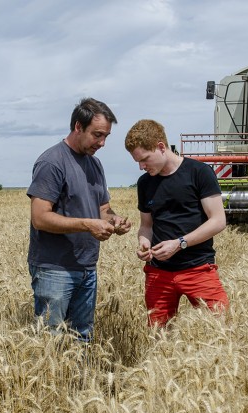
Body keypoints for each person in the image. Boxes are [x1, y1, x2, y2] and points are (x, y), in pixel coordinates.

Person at [27, 97, 131, 342]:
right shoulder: (52, 162)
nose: (102, 143)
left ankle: (80, 382)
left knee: (81, 337)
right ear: (77, 127)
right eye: (97, 135)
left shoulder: (95, 165)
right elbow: (40, 218)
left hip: (86, 267)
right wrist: (87, 224)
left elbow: (103, 208)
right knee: (50, 342)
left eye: (106, 136)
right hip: (55, 269)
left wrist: (115, 221)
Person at [124, 119, 228, 327]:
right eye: (137, 161)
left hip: (198, 268)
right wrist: (144, 243)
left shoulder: (199, 172)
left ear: (161, 147)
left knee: (220, 330)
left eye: (144, 159)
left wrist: (179, 243)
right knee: (158, 336)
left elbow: (218, 220)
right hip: (158, 273)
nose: (141, 167)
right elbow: (147, 225)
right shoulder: (145, 183)